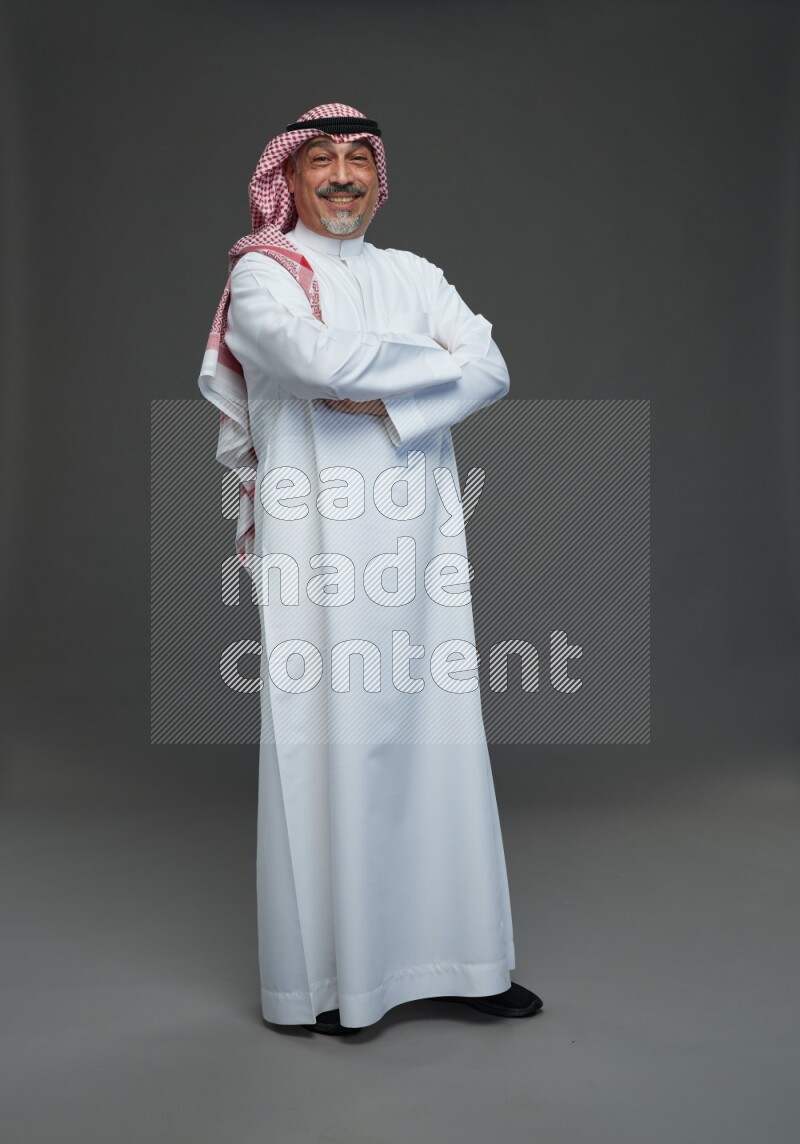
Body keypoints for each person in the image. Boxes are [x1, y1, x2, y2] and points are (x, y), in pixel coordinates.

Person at [197, 102, 543, 1035]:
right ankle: (334, 985)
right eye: (321, 159)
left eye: (358, 158)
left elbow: (493, 368)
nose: (342, 175)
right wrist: (431, 363)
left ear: (377, 179)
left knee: (438, 731)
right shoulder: (265, 272)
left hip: (421, 542)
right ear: (290, 177)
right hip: (317, 544)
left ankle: (467, 966)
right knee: (331, 736)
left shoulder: (415, 273)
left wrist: (391, 405)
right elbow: (310, 361)